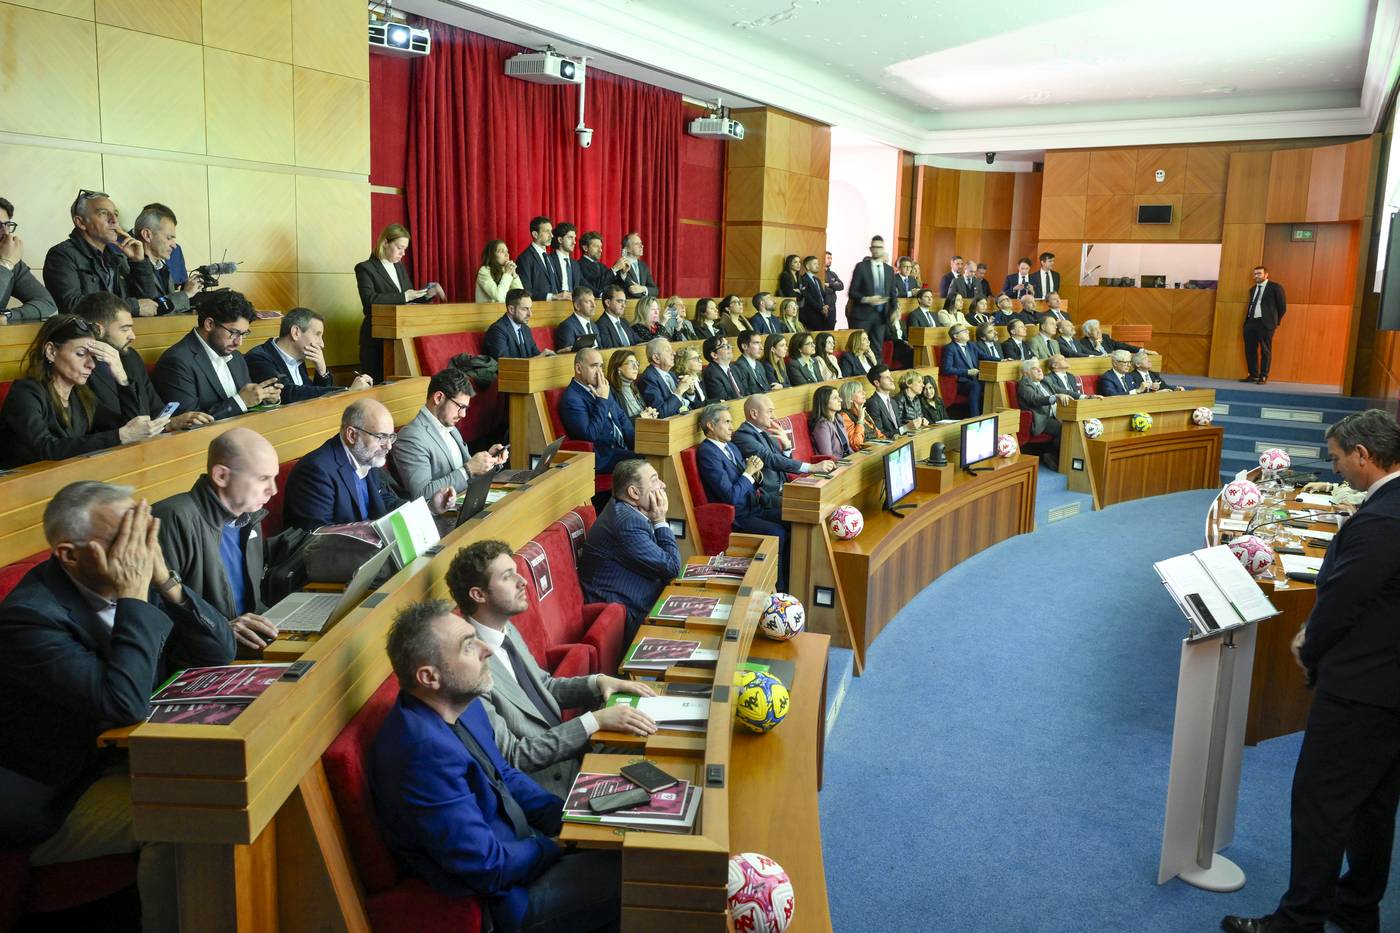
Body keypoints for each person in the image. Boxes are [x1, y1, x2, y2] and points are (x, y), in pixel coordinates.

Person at [0, 482, 234, 933]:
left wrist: (166, 581)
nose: (139, 551)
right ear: (69, 555)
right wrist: (133, 595)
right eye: (124, 539)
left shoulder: (133, 574)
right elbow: (123, 703)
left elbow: (218, 652)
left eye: (143, 533)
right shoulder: (29, 618)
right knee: (188, 817)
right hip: (55, 793)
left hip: (121, 756)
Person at [1222, 410, 1400, 933]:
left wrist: (1308, 644)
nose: (1336, 467)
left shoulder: (1382, 520)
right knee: (1374, 804)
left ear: (1363, 455)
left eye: (1339, 458)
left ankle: (1299, 921)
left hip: (1363, 687)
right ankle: (1357, 906)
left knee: (1322, 804)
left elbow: (1345, 599)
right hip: (1389, 684)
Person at [368, 599, 623, 933]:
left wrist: (567, 821)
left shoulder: (464, 704)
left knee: (636, 842)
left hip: (525, 849)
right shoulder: (420, 755)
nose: (486, 649)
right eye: (468, 646)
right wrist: (553, 845)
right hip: (511, 897)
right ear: (429, 677)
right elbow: (487, 867)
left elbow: (505, 775)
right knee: (648, 869)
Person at [444, 541, 657, 796]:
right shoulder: (469, 670)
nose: (523, 582)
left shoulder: (506, 629)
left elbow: (544, 686)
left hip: (574, 753)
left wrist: (599, 682)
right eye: (508, 576)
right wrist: (594, 721)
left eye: (517, 572)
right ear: (479, 595)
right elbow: (514, 756)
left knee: (658, 739)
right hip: (552, 786)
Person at [152, 427, 292, 653]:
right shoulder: (171, 519)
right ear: (221, 476)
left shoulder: (249, 516)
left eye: (274, 478)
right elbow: (154, 619)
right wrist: (222, 630)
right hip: (202, 656)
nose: (273, 490)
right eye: (263, 479)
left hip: (249, 642)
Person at [0, 314, 169, 467]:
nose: (91, 365)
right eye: (81, 354)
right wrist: (121, 435)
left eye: (93, 357)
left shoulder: (80, 394)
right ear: (51, 352)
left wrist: (121, 375)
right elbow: (47, 448)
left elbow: (131, 426)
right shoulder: (25, 393)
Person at [282, 398, 456, 531]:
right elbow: (318, 538)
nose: (388, 446)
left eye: (390, 437)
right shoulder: (315, 471)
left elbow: (388, 503)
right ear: (352, 435)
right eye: (381, 437)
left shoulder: (368, 458)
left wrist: (430, 508)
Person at [72, 292, 211, 433]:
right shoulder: (78, 371)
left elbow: (155, 408)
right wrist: (122, 379)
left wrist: (171, 422)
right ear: (98, 330)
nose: (132, 336)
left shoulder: (131, 357)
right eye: (125, 329)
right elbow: (113, 427)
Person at [579, 458, 682, 638]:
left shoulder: (627, 512)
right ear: (634, 492)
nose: (663, 485)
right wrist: (660, 520)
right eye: (654, 480)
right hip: (630, 616)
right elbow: (672, 566)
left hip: (643, 599)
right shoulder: (627, 523)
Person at [695, 403, 789, 589]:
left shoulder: (731, 447)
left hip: (755, 507)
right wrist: (748, 472)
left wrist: (756, 474)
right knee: (777, 532)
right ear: (711, 426)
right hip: (738, 516)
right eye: (727, 422)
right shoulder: (707, 453)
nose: (732, 427)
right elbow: (730, 496)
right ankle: (778, 589)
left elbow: (748, 481)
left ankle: (790, 577)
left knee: (792, 519)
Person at [152, 289, 281, 419]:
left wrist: (264, 398)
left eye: (243, 334)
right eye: (234, 333)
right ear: (209, 324)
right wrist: (240, 402)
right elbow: (190, 422)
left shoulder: (236, 357)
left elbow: (248, 403)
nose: (239, 343)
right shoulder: (176, 362)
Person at [391, 368, 508, 502]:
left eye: (466, 408)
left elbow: (468, 470)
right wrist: (468, 470)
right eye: (460, 407)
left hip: (468, 501)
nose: (463, 414)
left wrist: (489, 460)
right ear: (438, 398)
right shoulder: (411, 437)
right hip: (443, 512)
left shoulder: (450, 427)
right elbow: (421, 494)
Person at [44, 189, 159, 317]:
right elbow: (72, 306)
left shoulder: (118, 258)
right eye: (103, 213)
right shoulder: (61, 255)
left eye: (116, 214)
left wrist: (138, 262)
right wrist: (131, 307)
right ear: (81, 222)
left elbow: (149, 305)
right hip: (86, 330)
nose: (114, 220)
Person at [355, 223, 443, 382]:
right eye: (400, 248)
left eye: (405, 249)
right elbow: (370, 301)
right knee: (376, 385)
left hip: (401, 338)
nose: (403, 253)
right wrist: (406, 297)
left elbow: (408, 297)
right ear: (385, 243)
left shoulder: (399, 268)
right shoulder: (365, 268)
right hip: (376, 340)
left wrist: (427, 294)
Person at [245, 307, 372, 403]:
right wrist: (347, 391)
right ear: (296, 332)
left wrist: (322, 372)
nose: (322, 344)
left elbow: (316, 400)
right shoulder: (258, 358)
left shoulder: (299, 357)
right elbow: (287, 393)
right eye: (317, 334)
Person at [735, 393, 837, 505]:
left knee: (828, 494)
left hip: (786, 488)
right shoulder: (742, 435)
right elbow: (770, 459)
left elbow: (781, 463)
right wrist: (811, 467)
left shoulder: (766, 431)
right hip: (768, 497)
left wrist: (787, 447)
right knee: (814, 504)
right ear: (754, 414)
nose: (774, 416)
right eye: (769, 411)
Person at [559, 347, 634, 474]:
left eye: (601, 366)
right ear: (578, 369)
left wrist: (637, 442)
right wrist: (602, 400)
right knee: (648, 460)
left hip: (620, 448)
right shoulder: (572, 399)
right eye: (594, 366)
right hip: (602, 457)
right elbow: (590, 435)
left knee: (654, 451)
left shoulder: (601, 386)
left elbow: (621, 417)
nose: (599, 372)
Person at [130, 203, 203, 314]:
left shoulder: (163, 267)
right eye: (169, 238)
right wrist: (185, 294)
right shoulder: (128, 265)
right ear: (147, 235)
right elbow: (152, 308)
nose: (174, 245)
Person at [0, 195, 57, 322]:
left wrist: (8, 315)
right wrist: (5, 264)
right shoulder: (8, 262)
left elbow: (49, 307)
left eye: (7, 225)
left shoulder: (13, 262)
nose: (6, 233)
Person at [847, 235, 897, 347]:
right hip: (862, 316)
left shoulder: (889, 270)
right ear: (870, 249)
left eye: (879, 247)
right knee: (858, 347)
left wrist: (894, 310)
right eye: (874, 247)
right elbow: (852, 292)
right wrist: (867, 299)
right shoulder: (861, 267)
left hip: (881, 317)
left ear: (883, 249)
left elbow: (892, 294)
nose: (877, 250)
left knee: (877, 349)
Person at [1243, 264, 1286, 384]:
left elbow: (1282, 307)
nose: (1256, 276)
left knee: (1265, 350)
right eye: (1255, 274)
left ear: (1266, 275)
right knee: (1250, 350)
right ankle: (1253, 375)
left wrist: (1275, 322)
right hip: (1251, 322)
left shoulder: (1275, 287)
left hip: (1266, 324)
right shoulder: (1252, 289)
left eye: (1259, 273)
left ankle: (1263, 376)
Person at [1016, 358, 1064, 467]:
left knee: (1072, 426)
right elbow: (1035, 399)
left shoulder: (1045, 381)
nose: (1039, 370)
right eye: (1034, 369)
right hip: (1042, 419)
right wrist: (1055, 397)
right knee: (1064, 429)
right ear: (1026, 373)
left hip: (1055, 415)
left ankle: (1052, 454)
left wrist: (1085, 396)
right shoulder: (1024, 384)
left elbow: (1063, 391)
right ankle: (1053, 456)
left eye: (1039, 368)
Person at [483, 289, 552, 359]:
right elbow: (505, 363)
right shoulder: (497, 330)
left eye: (530, 308)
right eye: (525, 309)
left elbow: (535, 354)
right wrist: (539, 358)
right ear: (511, 309)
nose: (530, 314)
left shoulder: (526, 329)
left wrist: (547, 356)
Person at [637, 337, 695, 417]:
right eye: (668, 350)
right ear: (656, 358)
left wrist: (690, 393)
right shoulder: (648, 378)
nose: (674, 353)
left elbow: (691, 406)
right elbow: (660, 414)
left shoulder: (671, 374)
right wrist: (679, 391)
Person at [514, 216, 569, 301]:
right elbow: (526, 290)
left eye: (551, 231)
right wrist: (551, 297)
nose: (551, 235)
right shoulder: (525, 258)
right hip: (538, 307)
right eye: (547, 231)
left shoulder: (549, 257)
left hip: (555, 306)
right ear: (535, 234)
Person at [864, 364, 919, 437]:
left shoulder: (893, 402)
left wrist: (913, 424)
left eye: (890, 376)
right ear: (877, 383)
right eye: (887, 377)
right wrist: (906, 428)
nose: (892, 379)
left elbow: (898, 427)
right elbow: (880, 435)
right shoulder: (872, 403)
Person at [941, 323, 983, 416]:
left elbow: (984, 356)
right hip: (960, 382)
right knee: (975, 386)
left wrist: (1001, 360)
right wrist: (967, 372)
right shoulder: (950, 348)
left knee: (989, 384)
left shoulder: (971, 345)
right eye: (964, 331)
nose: (968, 332)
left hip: (976, 378)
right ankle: (975, 418)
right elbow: (947, 369)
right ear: (956, 336)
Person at [605, 348, 658, 422]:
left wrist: (649, 413)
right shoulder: (610, 392)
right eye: (631, 363)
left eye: (637, 363)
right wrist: (641, 417)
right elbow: (618, 423)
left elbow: (642, 412)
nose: (636, 367)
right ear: (618, 368)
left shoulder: (634, 387)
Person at [810, 385, 851, 458]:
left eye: (839, 397)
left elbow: (848, 448)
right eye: (835, 398)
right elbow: (828, 457)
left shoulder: (838, 418)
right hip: (836, 463)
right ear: (824, 402)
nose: (840, 400)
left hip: (848, 459)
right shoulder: (822, 425)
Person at [553, 285, 599, 352]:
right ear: (577, 306)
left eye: (593, 300)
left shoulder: (594, 325)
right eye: (588, 302)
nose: (594, 305)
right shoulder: (567, 327)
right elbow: (568, 355)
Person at [594, 284, 639, 350]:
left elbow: (638, 341)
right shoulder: (601, 325)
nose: (624, 306)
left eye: (624, 302)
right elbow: (609, 350)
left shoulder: (624, 322)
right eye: (620, 301)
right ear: (608, 303)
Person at [701, 334, 744, 401]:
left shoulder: (735, 368)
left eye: (728, 345)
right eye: (724, 346)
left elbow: (746, 390)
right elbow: (722, 399)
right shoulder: (711, 373)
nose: (729, 347)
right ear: (714, 355)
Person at [616, 231, 658, 299]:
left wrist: (643, 289)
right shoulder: (620, 264)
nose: (641, 246)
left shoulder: (644, 266)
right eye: (636, 244)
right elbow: (632, 290)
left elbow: (655, 291)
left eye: (641, 243)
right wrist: (646, 291)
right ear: (627, 249)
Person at [576, 231, 615, 295]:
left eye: (601, 247)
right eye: (596, 246)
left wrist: (623, 273)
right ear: (585, 248)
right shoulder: (578, 265)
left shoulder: (603, 266)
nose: (600, 250)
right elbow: (596, 285)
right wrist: (614, 269)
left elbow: (613, 285)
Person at [837, 380, 872, 450]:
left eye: (863, 390)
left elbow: (877, 433)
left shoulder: (862, 410)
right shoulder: (844, 416)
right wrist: (860, 421)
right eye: (859, 391)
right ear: (849, 398)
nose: (864, 393)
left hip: (877, 447)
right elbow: (856, 444)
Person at [548, 222, 580, 295]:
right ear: (560, 240)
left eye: (574, 238)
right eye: (570, 238)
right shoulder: (549, 260)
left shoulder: (575, 264)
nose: (574, 242)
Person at [797, 255, 828, 331]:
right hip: (811, 314)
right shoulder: (803, 279)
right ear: (807, 266)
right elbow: (808, 298)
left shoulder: (817, 279)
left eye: (818, 264)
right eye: (814, 264)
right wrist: (821, 308)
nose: (817, 266)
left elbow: (822, 295)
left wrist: (825, 306)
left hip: (821, 313)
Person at [886, 300, 914, 369]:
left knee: (915, 351)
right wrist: (903, 342)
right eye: (897, 308)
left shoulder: (902, 322)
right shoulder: (887, 322)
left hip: (905, 346)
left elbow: (905, 337)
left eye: (899, 308)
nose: (899, 310)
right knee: (910, 353)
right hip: (894, 347)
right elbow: (888, 337)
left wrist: (909, 342)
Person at [821, 250, 843, 330]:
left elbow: (841, 286)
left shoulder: (832, 274)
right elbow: (823, 289)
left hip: (832, 307)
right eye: (828, 258)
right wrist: (833, 288)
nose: (830, 260)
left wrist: (830, 285)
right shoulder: (819, 273)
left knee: (831, 329)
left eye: (831, 258)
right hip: (822, 306)